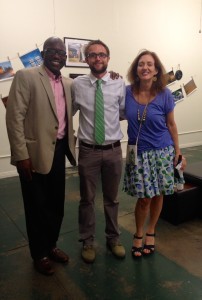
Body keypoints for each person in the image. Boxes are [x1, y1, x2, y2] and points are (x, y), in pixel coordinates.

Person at [6, 37, 76, 275]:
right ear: (44, 53)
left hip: (59, 152)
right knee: (36, 206)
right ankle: (39, 254)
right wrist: (21, 155)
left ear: (66, 58)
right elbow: (14, 117)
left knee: (56, 205)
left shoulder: (68, 84)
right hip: (32, 155)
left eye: (62, 53)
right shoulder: (26, 77)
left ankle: (51, 245)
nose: (58, 55)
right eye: (52, 51)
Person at [123, 50, 186, 258]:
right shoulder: (126, 92)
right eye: (141, 64)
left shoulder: (165, 94)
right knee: (143, 199)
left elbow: (171, 124)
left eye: (150, 64)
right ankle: (139, 232)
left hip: (163, 151)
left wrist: (178, 152)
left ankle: (151, 230)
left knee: (159, 193)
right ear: (136, 69)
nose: (145, 68)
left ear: (157, 70)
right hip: (139, 153)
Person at [72, 40, 126, 263]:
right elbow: (67, 112)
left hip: (113, 150)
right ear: (86, 60)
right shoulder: (77, 85)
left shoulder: (119, 82)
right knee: (87, 199)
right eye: (92, 55)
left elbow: (122, 112)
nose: (97, 59)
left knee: (112, 199)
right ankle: (88, 240)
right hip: (88, 151)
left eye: (102, 54)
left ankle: (113, 238)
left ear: (108, 58)